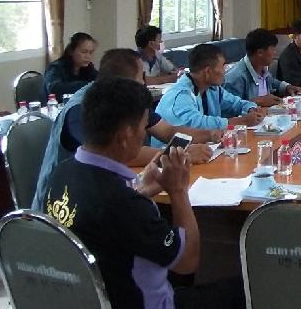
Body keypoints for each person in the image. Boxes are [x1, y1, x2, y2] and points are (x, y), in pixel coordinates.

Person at [41, 77, 246, 308]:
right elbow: (188, 262)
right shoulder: (123, 203)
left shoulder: (61, 173)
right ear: (126, 135)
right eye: (143, 127)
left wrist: (140, 190)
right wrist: (178, 191)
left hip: (93, 296)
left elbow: (110, 225)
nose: (144, 134)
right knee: (249, 286)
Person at [32, 49, 218, 211]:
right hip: (63, 205)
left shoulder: (126, 101)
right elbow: (112, 153)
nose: (145, 84)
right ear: (122, 82)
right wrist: (178, 156)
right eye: (140, 78)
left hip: (105, 193)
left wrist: (212, 133)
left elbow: (167, 130)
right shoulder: (83, 108)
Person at [155, 43, 263, 144]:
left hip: (205, 147)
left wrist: (251, 109)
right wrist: (242, 121)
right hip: (170, 153)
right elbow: (197, 125)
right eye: (222, 66)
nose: (225, 71)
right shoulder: (180, 95)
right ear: (208, 71)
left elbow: (235, 103)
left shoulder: (212, 89)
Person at [224, 28, 301, 106]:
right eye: (272, 49)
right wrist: (258, 101)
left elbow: (272, 82)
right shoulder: (236, 77)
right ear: (260, 52)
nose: (275, 52)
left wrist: (287, 87)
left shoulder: (261, 68)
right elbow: (228, 108)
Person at [43, 32, 99, 100]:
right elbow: (54, 89)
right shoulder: (55, 68)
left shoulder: (88, 67)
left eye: (91, 52)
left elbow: (100, 80)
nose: (88, 56)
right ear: (71, 51)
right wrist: (88, 85)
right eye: (84, 52)